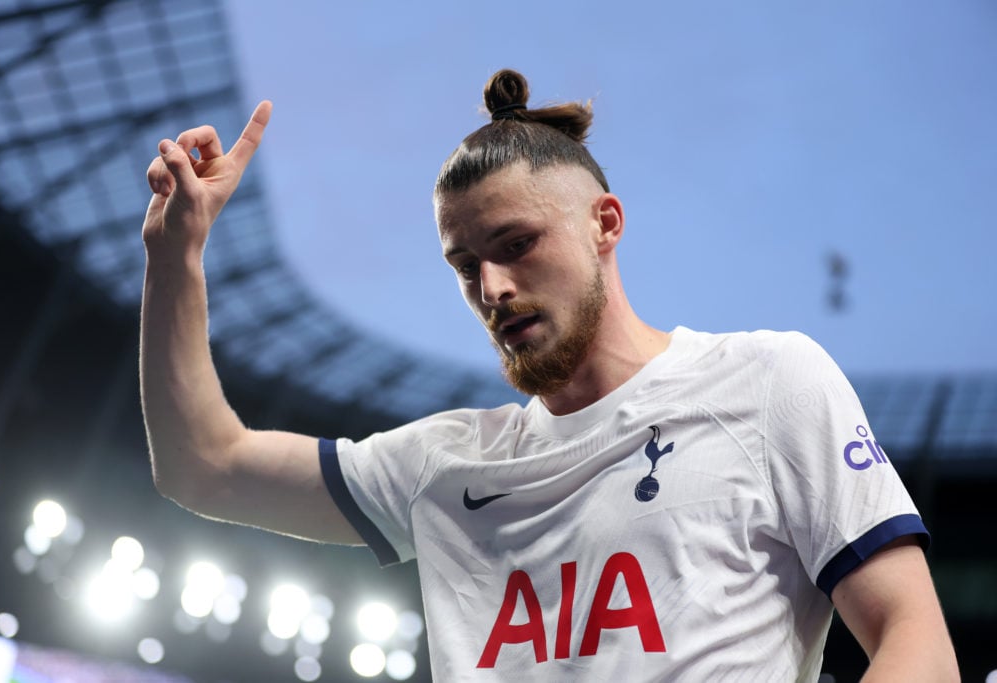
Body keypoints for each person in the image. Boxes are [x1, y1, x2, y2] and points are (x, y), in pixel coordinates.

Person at [140, 69, 959, 681]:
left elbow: (912, 635)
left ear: (605, 224)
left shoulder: (768, 383)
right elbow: (203, 466)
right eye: (465, 266)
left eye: (516, 244)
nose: (491, 288)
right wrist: (174, 255)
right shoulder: (445, 464)